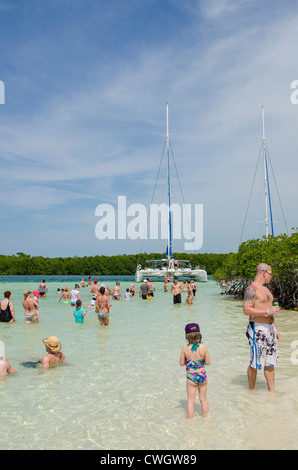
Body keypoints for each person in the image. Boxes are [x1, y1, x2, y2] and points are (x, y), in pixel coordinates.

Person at [243, 263, 281, 392]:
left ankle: (272, 391)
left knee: (270, 361)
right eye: (271, 274)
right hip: (257, 328)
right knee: (255, 361)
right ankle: (251, 390)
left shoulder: (266, 289)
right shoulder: (251, 289)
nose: (271, 277)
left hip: (269, 328)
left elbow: (271, 310)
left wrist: (274, 327)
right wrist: (268, 311)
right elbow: (247, 310)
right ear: (264, 272)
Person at [180, 323, 210, 418]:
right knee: (203, 399)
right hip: (202, 375)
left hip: (191, 376)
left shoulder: (185, 348)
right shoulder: (204, 347)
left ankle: (190, 422)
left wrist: (189, 362)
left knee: (191, 401)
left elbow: (181, 363)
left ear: (186, 335)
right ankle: (206, 419)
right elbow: (208, 362)